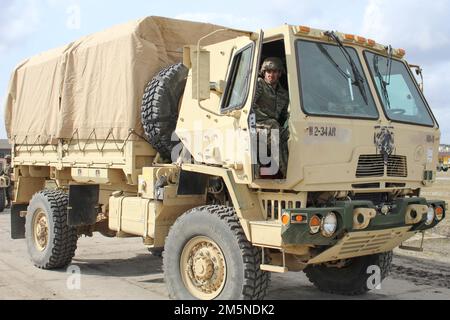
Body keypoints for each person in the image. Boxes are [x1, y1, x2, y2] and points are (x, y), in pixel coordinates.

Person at [253, 57, 290, 177]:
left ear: (279, 73)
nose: (271, 75)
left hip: (273, 126)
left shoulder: (284, 94)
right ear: (264, 73)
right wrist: (266, 119)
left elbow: (285, 115)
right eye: (268, 72)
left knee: (290, 133)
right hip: (255, 125)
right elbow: (250, 106)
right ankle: (288, 173)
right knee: (273, 126)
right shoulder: (259, 84)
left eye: (274, 72)